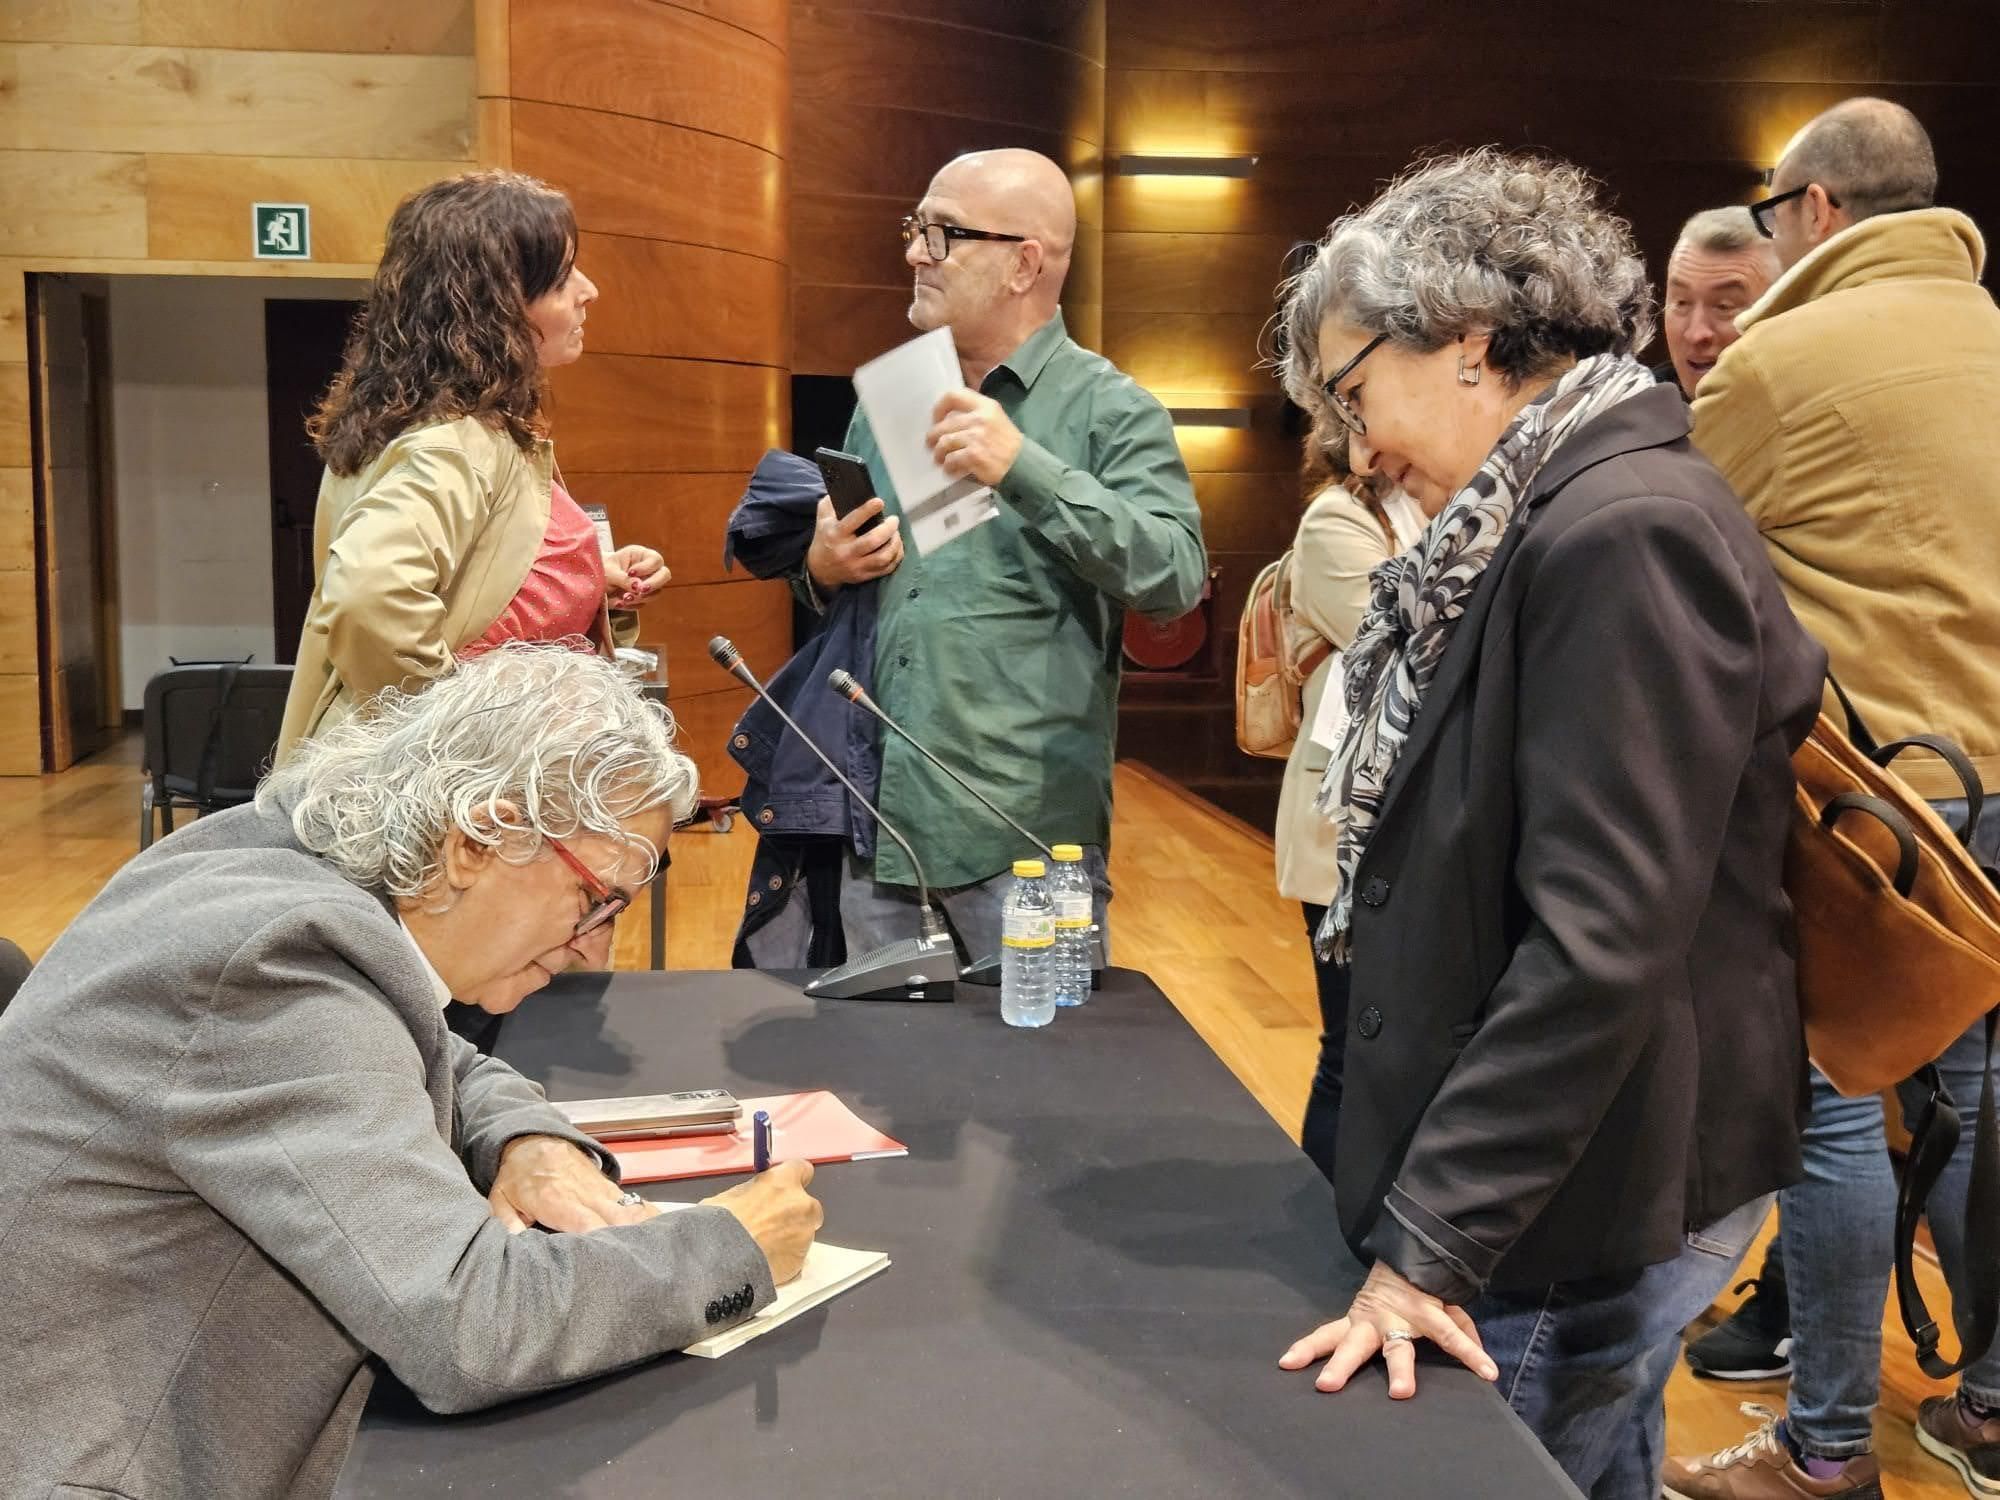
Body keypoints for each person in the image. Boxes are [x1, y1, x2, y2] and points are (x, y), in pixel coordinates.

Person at [1268, 148, 1825, 1500]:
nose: (1353, 444)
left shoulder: (1617, 526)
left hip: (1585, 1197)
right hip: (1572, 1181)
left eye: (1353, 391)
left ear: (1465, 343)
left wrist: (1433, 1243)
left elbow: (1601, 941)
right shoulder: (1553, 507)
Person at [0, 646, 822, 1499]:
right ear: (475, 840)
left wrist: (523, 1137)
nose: (596, 950)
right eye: (594, 900)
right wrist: (729, 1247)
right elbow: (470, 1328)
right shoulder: (275, 965)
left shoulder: (280, 857)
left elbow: (420, 1049)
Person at [1667, 96, 2000, 1500]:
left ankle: (1822, 1451)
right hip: (1996, 783)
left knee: (1834, 1104)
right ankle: (1986, 1403)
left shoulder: (1779, 360)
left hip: (1872, 805)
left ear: (1811, 211)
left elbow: (1677, 564)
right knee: (1982, 1095)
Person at [797, 147, 1207, 969]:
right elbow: (864, 595)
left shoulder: (1110, 409)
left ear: (1024, 263)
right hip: (874, 822)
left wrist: (1023, 465)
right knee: (879, 1082)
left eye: (942, 233)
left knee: (1044, 1087)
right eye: (916, 228)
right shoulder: (893, 396)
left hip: (1021, 835)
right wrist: (822, 568)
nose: (915, 252)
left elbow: (1175, 575)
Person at [277, 170, 670, 763]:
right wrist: (455, 730)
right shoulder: (453, 440)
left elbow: (475, 586)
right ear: (500, 302)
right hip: (444, 795)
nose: (588, 291)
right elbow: (369, 599)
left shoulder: (439, 420)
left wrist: (588, 574)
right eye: (563, 277)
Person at [1275, 433, 1421, 1184]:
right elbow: (1411, 645)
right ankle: (1324, 1230)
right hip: (1349, 827)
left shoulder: (1452, 510)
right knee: (1353, 1052)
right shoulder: (1337, 522)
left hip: (1424, 823)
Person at [1661, 207, 1780, 397]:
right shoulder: (1628, 414)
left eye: (1724, 307)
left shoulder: (1817, 416)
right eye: (1682, 303)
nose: (1696, 334)